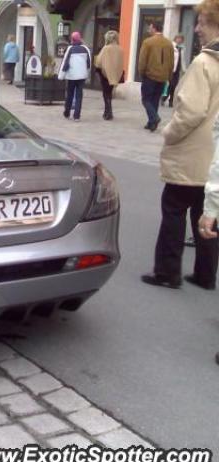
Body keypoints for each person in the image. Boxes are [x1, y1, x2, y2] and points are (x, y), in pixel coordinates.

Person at [141, 0, 219, 291]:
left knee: (174, 209)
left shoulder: (203, 63)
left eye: (201, 22)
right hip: (213, 155)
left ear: (214, 24)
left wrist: (168, 133)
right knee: (207, 213)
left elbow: (191, 111)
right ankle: (206, 274)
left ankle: (167, 272)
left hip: (191, 152)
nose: (197, 28)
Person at [137, 22, 174, 132]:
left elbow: (142, 60)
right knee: (155, 99)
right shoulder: (168, 43)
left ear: (154, 28)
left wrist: (141, 72)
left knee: (146, 99)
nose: (149, 29)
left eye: (150, 27)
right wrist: (169, 75)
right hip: (163, 76)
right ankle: (151, 123)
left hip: (150, 75)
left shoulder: (148, 42)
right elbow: (172, 62)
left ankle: (154, 118)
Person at [58, 31, 91, 122]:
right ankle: (77, 116)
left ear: (72, 39)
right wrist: (86, 72)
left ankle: (67, 112)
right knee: (79, 96)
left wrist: (61, 75)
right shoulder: (85, 49)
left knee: (70, 94)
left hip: (72, 75)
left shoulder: (70, 49)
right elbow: (89, 63)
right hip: (82, 76)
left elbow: (65, 62)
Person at [94, 30, 124, 120]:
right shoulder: (120, 49)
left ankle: (108, 111)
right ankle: (108, 111)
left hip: (105, 74)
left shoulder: (106, 48)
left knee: (105, 93)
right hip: (115, 74)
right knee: (109, 93)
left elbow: (99, 61)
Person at [161, 33, 187, 107]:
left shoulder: (182, 48)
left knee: (174, 86)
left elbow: (182, 60)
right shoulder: (171, 46)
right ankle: (164, 98)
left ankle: (171, 101)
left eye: (181, 39)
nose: (179, 40)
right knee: (171, 85)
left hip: (177, 70)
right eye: (178, 38)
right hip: (171, 69)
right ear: (175, 39)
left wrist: (184, 69)